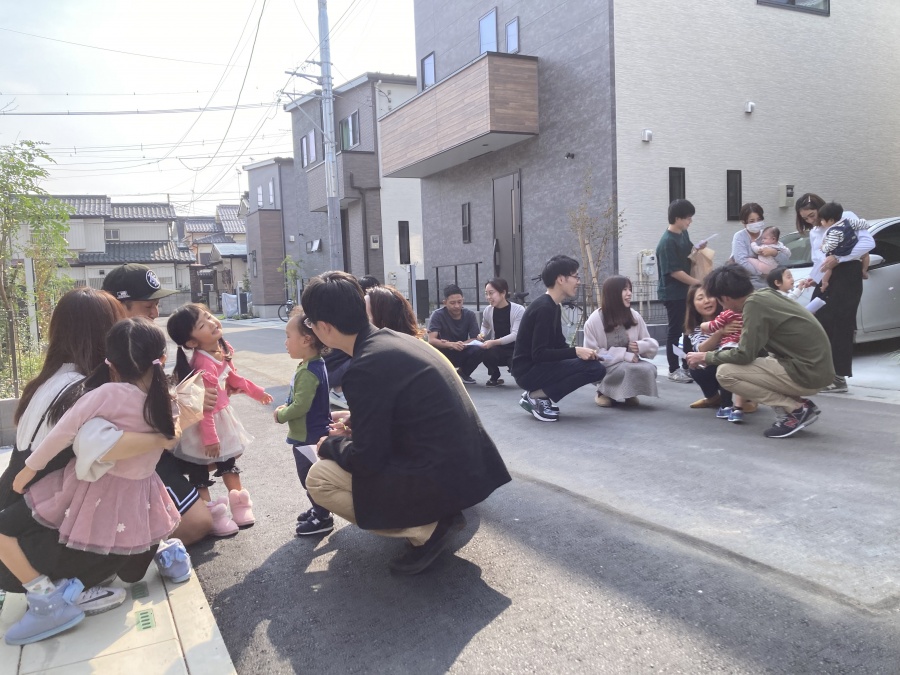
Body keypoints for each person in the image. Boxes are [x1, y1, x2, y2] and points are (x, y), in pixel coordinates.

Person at [299, 271, 511, 575]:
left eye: (309, 323)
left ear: (324, 327)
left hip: (444, 479)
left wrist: (329, 445)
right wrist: (355, 422)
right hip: (469, 472)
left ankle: (427, 529)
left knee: (320, 477)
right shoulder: (396, 341)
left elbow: (368, 459)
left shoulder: (364, 367)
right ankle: (437, 514)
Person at [1, 318, 186, 645]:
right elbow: (170, 437)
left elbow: (64, 431)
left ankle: (46, 598)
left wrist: (29, 469)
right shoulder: (167, 400)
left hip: (94, 488)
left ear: (110, 365)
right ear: (162, 358)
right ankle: (171, 554)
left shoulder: (107, 394)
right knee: (132, 557)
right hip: (141, 493)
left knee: (7, 529)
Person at [100, 263, 214, 545]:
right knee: (197, 524)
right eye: (148, 306)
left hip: (154, 451)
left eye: (157, 305)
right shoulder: (107, 355)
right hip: (131, 460)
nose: (155, 313)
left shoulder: (141, 341)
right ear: (119, 306)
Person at [685, 265, 834, 439]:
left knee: (726, 373)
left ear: (725, 298)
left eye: (719, 301)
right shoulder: (764, 295)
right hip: (815, 368)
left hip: (808, 373)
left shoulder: (753, 305)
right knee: (758, 362)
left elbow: (744, 354)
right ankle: (796, 405)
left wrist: (706, 356)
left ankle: (796, 410)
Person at [167, 304, 273, 535]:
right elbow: (205, 408)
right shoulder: (203, 364)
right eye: (202, 325)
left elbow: (233, 377)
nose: (212, 323)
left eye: (209, 316)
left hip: (220, 419)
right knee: (199, 469)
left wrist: (257, 393)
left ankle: (240, 505)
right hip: (204, 426)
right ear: (192, 342)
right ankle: (212, 514)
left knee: (228, 463)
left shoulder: (222, 348)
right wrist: (210, 438)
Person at [794, 193, 875, 393]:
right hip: (827, 277)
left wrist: (839, 258)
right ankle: (822, 373)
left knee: (841, 325)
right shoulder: (815, 232)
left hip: (847, 275)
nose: (811, 221)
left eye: (813, 215)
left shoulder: (846, 217)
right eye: (805, 218)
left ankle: (839, 378)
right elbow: (819, 261)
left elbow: (868, 243)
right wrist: (813, 278)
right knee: (816, 321)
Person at [511, 255, 606, 422]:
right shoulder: (544, 308)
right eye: (576, 276)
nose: (578, 282)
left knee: (594, 367)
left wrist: (582, 354)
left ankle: (538, 396)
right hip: (527, 372)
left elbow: (559, 344)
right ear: (561, 279)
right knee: (594, 369)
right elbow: (539, 354)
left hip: (536, 367)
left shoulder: (552, 306)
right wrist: (576, 351)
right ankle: (535, 395)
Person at [275, 312, 334, 537]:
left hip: (308, 435)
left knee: (309, 477)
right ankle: (319, 509)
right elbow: (298, 397)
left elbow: (301, 406)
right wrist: (287, 404)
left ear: (306, 340)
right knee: (312, 475)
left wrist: (281, 415)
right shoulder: (311, 364)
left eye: (288, 336)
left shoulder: (309, 371)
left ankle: (323, 516)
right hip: (312, 432)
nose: (285, 342)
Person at [583, 276, 659, 407]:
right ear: (613, 294)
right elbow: (593, 353)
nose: (629, 293)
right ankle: (603, 392)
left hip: (629, 364)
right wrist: (624, 355)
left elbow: (651, 344)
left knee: (649, 369)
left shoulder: (634, 316)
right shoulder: (594, 320)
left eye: (630, 289)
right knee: (624, 368)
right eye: (625, 289)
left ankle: (629, 392)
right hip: (606, 365)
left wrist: (641, 346)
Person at [656, 199, 705, 384]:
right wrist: (698, 283)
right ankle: (673, 369)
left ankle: (687, 365)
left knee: (688, 330)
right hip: (673, 293)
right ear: (677, 218)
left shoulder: (683, 234)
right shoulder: (667, 242)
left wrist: (698, 248)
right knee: (675, 331)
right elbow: (674, 272)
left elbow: (689, 252)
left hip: (686, 292)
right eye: (688, 218)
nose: (690, 221)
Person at [324, 275, 381, 409]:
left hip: (330, 370)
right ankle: (338, 391)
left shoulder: (345, 312)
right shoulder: (353, 315)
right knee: (367, 357)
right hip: (333, 372)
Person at [698, 308, 755, 423]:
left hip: (729, 348)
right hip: (745, 349)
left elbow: (712, 326)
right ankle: (738, 409)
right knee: (740, 378)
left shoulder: (728, 313)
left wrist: (702, 325)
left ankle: (726, 406)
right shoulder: (751, 312)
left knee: (724, 376)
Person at [684, 285, 734, 412]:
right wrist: (720, 332)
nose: (706, 301)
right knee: (695, 364)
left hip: (735, 361)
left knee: (727, 363)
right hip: (713, 363)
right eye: (700, 298)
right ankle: (713, 398)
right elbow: (701, 348)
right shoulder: (696, 326)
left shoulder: (729, 316)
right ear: (693, 304)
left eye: (710, 296)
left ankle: (745, 400)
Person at [427, 284, 482, 384]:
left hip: (462, 349)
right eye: (452, 303)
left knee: (480, 348)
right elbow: (431, 340)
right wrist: (450, 344)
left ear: (463, 300)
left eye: (459, 302)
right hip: (444, 351)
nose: (457, 306)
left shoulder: (470, 315)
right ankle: (442, 375)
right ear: (445, 303)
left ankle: (463, 373)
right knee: (432, 350)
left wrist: (462, 344)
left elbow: (475, 338)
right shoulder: (437, 315)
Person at [730, 203, 791, 290]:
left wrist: (775, 253)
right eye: (752, 221)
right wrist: (762, 272)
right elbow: (741, 262)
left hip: (771, 285)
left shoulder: (768, 234)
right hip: (750, 285)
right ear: (744, 222)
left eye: (759, 219)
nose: (756, 223)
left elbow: (785, 260)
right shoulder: (740, 236)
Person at [477, 278, 525, 387]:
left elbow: (515, 335)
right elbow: (485, 325)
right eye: (486, 293)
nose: (488, 297)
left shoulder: (519, 310)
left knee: (519, 373)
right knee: (483, 351)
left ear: (503, 293)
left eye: (491, 293)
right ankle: (494, 374)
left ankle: (519, 371)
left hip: (516, 348)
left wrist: (494, 342)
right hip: (498, 349)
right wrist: (482, 334)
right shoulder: (488, 310)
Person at [816, 201, 871, 292]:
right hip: (851, 246)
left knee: (828, 268)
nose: (821, 222)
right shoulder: (848, 222)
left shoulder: (834, 231)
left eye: (822, 220)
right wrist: (865, 223)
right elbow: (862, 224)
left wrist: (823, 247)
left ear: (831, 220)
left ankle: (824, 282)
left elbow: (831, 246)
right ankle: (864, 270)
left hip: (840, 252)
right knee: (865, 255)